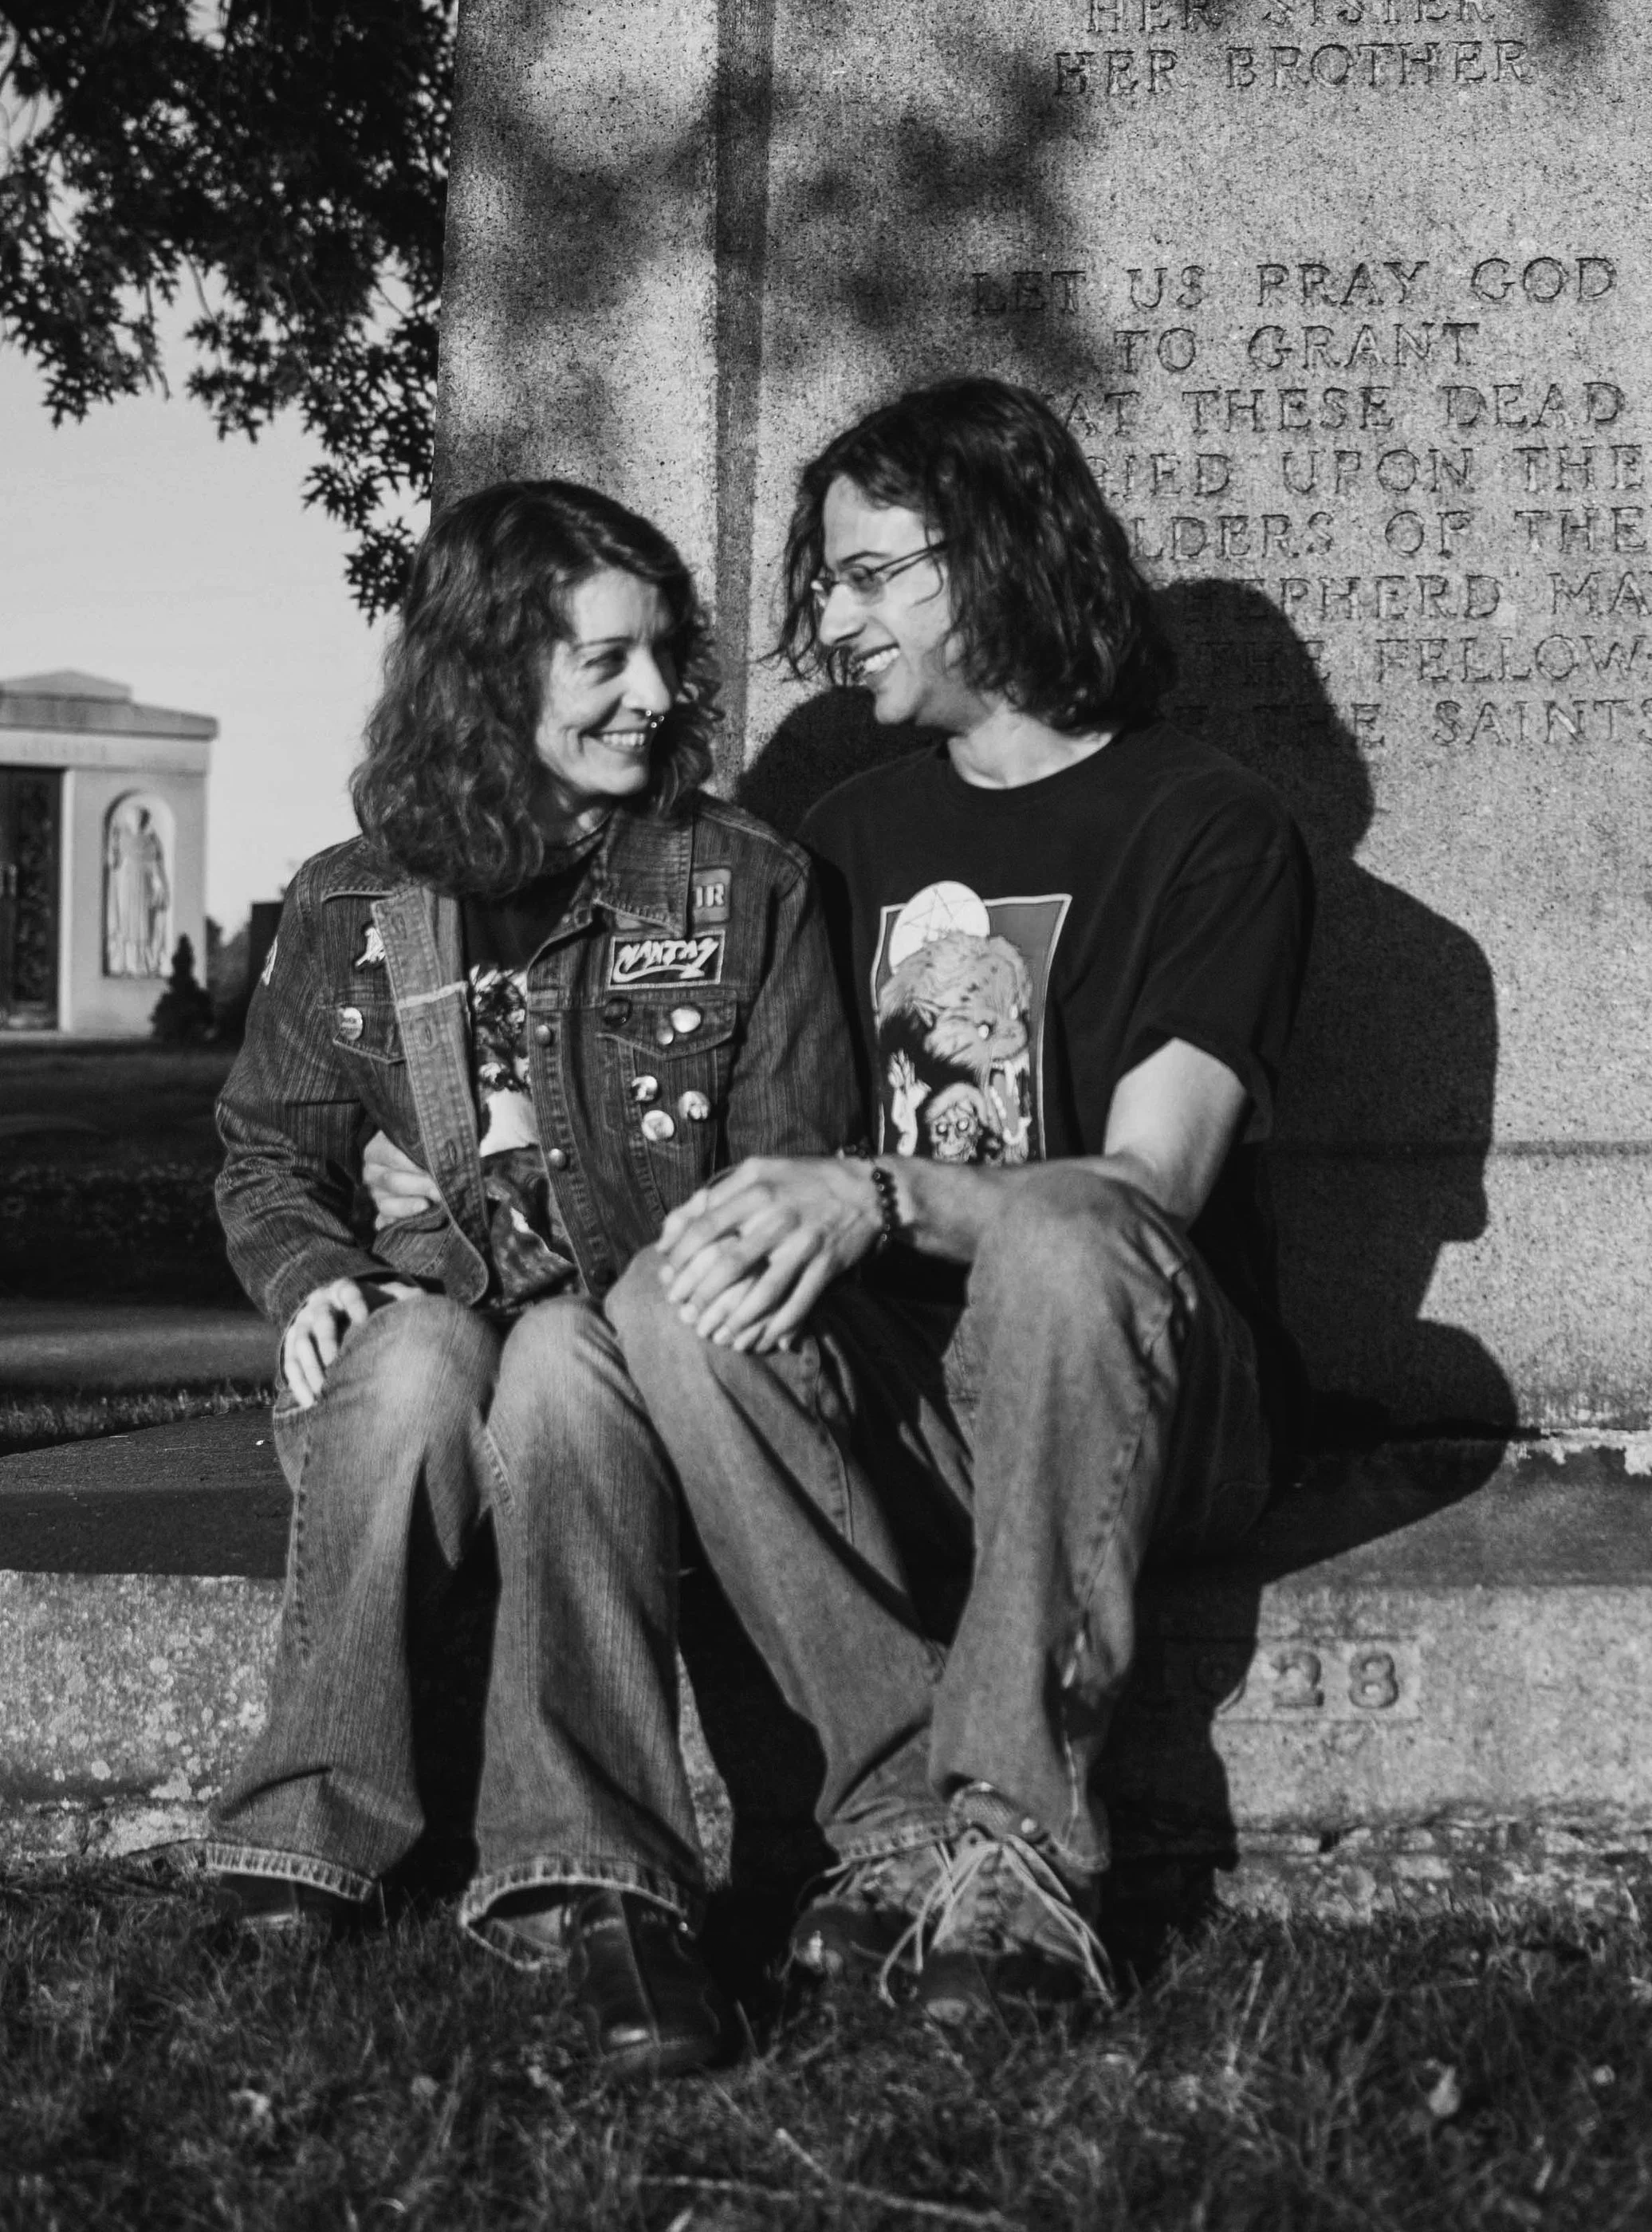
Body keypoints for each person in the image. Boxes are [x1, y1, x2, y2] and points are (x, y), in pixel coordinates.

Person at [604, 377, 1314, 2021]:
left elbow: (1151, 1186)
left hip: (1138, 1390)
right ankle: (895, 1828)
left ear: (990, 556)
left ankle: (1022, 1856)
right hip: (918, 1414)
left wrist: (874, 1196)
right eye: (825, 581)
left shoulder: (1207, 827)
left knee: (1065, 1229)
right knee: (672, 1297)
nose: (832, 622)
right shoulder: (840, 833)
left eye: (868, 574)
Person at [206, 478, 858, 2079]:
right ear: (494, 674)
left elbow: (788, 1170)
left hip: (629, 1365)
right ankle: (299, 1846)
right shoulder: (352, 906)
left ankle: (592, 1880)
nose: (654, 697)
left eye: (661, 659)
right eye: (604, 662)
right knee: (419, 1359)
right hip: (424, 1352)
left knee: (563, 1355)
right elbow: (264, 1150)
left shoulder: (742, 884)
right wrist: (311, 1282)